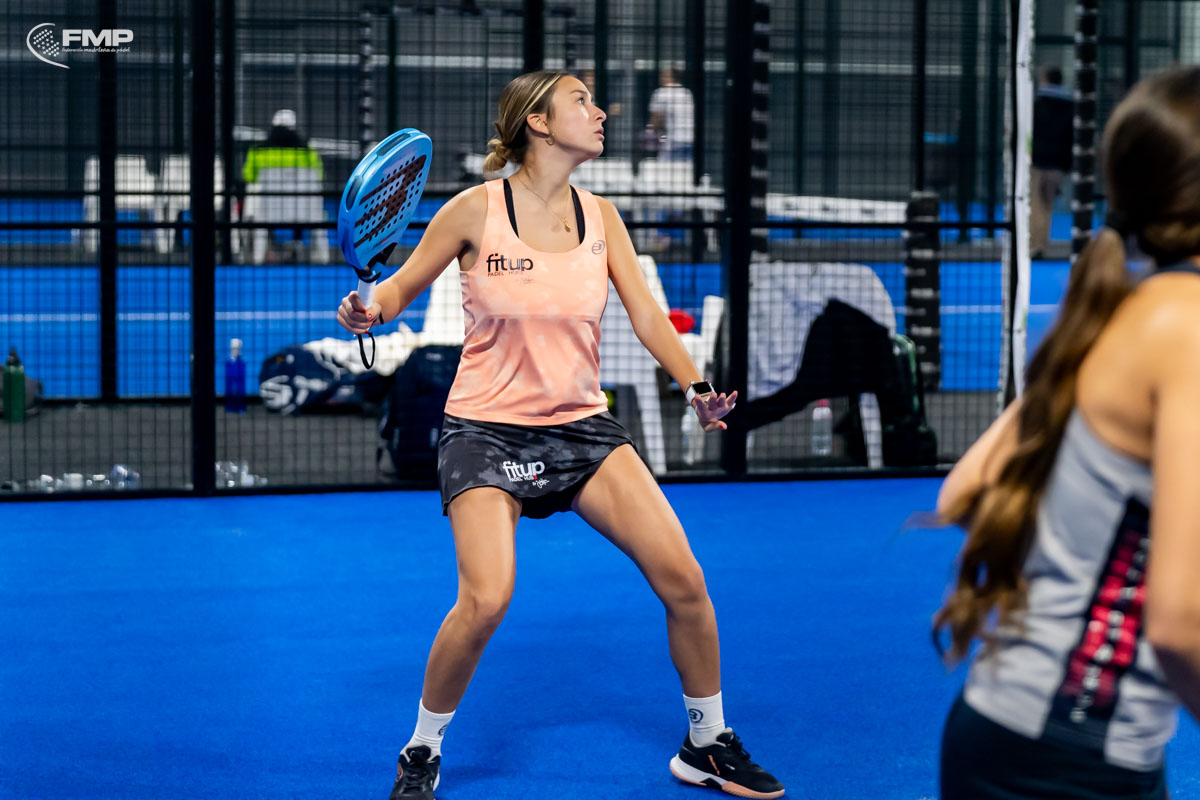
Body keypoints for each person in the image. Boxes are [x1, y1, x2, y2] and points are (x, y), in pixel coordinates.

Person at [336, 71, 786, 800]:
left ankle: (707, 743)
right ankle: (422, 748)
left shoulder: (602, 216)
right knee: (487, 599)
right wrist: (367, 307)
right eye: (582, 101)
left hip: (581, 429)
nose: (600, 112)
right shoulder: (474, 209)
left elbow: (646, 315)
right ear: (538, 122)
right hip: (485, 431)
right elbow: (394, 293)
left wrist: (696, 390)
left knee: (686, 581)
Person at [934, 65, 1200, 800]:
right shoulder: (1185, 328)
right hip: (1073, 753)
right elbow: (1179, 626)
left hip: (1004, 728)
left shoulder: (1118, 312)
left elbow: (963, 493)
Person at [1030, 66, 1074, 259]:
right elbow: (1071, 137)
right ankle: (1041, 244)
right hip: (1057, 165)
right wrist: (1065, 165)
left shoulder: (1035, 106)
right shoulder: (1069, 107)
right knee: (1047, 205)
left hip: (1037, 162)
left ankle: (1036, 246)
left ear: (1045, 79)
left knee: (1036, 204)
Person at [648, 65, 695, 161]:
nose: (660, 78)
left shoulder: (660, 93)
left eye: (664, 76)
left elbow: (656, 119)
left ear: (673, 78)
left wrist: (651, 131)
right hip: (690, 139)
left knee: (664, 167)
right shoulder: (687, 93)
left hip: (674, 141)